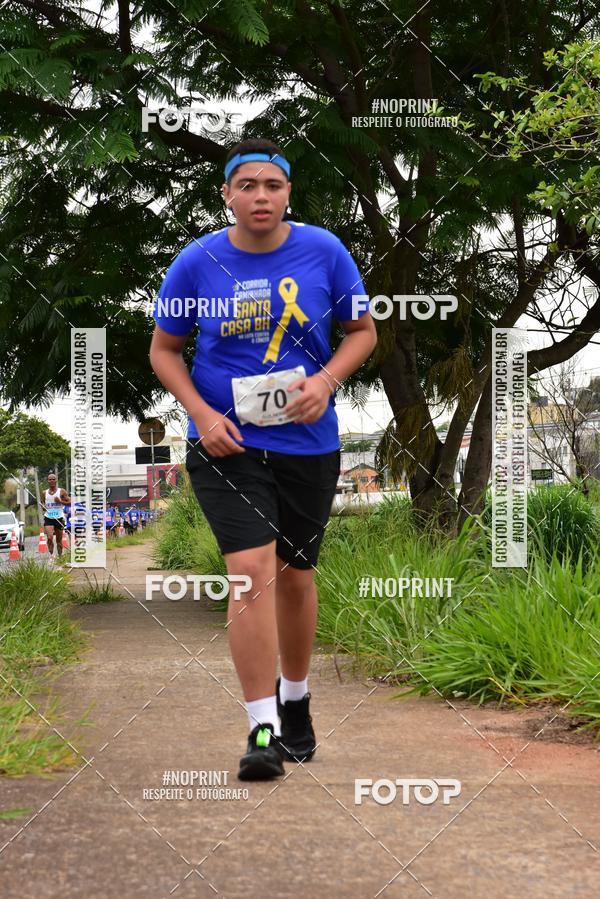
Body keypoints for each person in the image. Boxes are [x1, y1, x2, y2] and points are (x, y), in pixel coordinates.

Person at [150, 137, 376, 781]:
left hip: (308, 444)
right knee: (252, 574)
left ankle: (296, 700)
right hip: (228, 445)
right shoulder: (197, 263)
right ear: (227, 194)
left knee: (296, 577)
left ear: (288, 194)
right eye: (246, 185)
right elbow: (164, 350)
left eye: (272, 185)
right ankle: (261, 729)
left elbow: (362, 333)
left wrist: (325, 383)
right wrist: (200, 413)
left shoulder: (325, 252)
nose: (260, 196)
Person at [43, 473, 71, 558]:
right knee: (50, 537)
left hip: (59, 517)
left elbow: (70, 503)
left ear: (56, 480)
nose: (51, 481)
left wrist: (60, 502)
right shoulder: (44, 493)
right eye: (50, 479)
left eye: (53, 479)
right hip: (48, 517)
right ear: (48, 481)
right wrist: (44, 507)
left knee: (59, 540)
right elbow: (43, 504)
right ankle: (51, 556)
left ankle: (60, 557)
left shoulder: (61, 491)